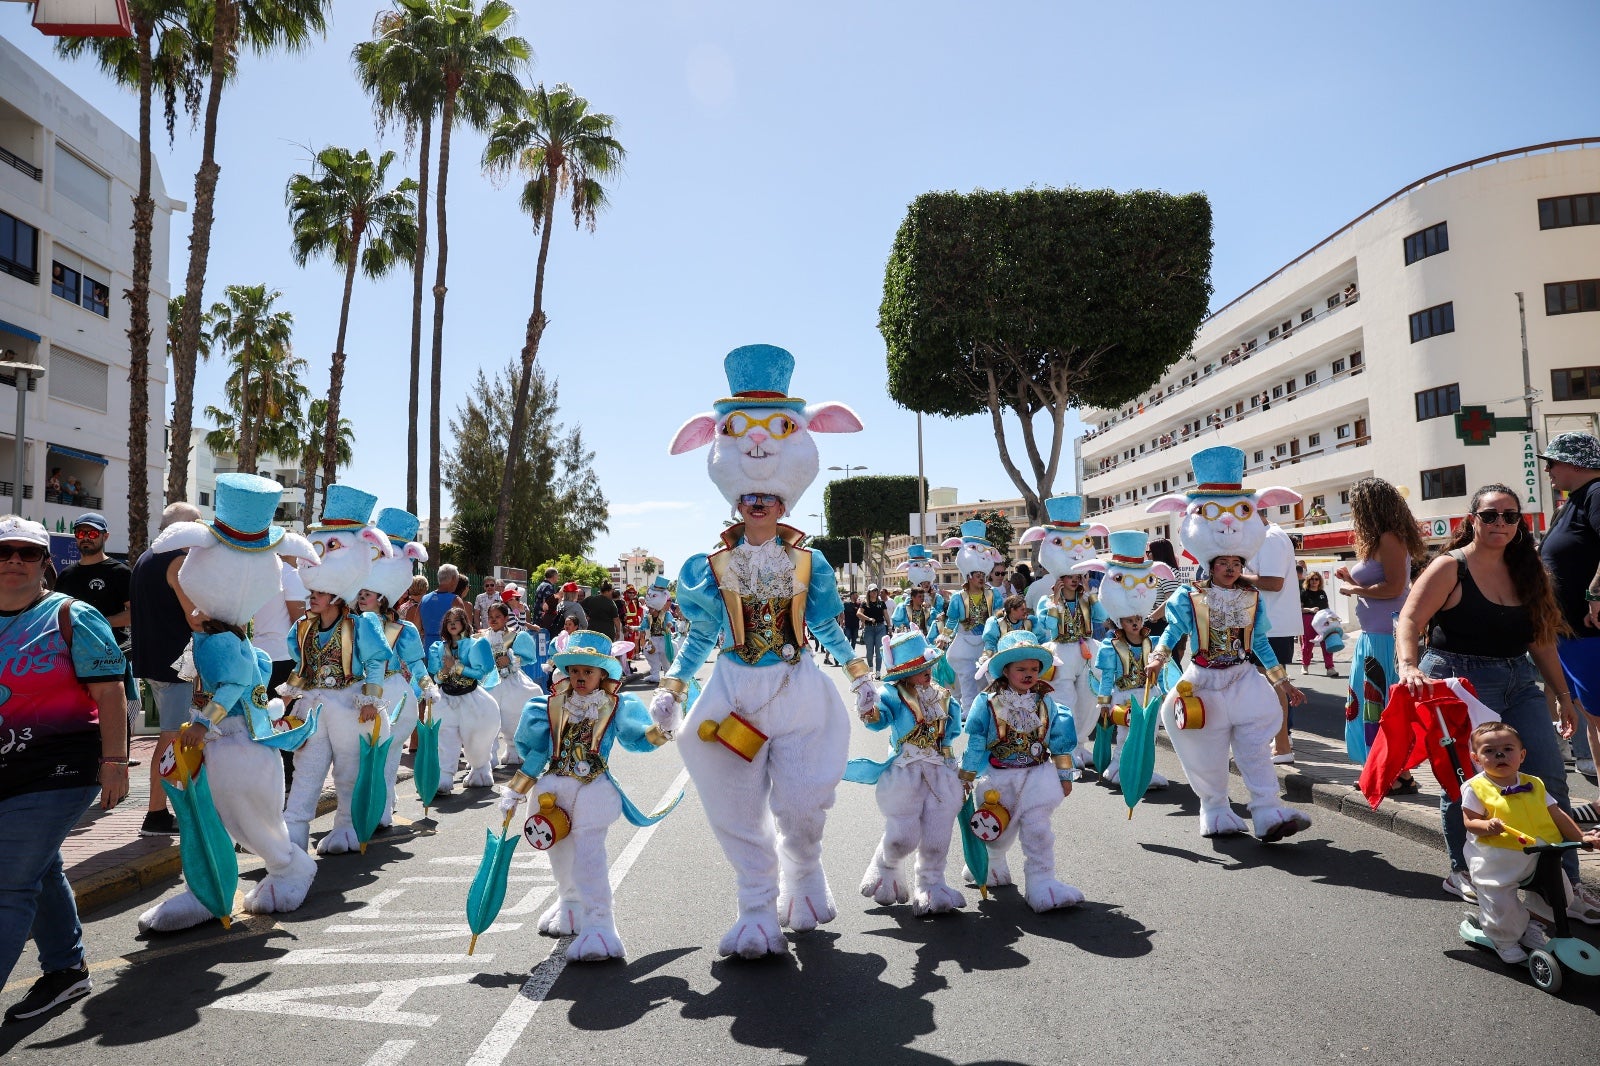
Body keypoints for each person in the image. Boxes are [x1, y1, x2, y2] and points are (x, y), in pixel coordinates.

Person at [649, 342, 875, 959]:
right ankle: (755, 909)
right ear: (735, 497)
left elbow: (825, 626)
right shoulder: (709, 565)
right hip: (730, 693)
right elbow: (699, 635)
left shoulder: (811, 562)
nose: (759, 501)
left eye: (769, 497)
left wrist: (858, 676)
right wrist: (672, 688)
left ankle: (804, 868)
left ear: (785, 497)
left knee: (803, 804)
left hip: (797, 689)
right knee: (733, 804)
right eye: (751, 497)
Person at [1396, 484, 1600, 918]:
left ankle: (1562, 885)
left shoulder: (1530, 570)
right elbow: (1411, 617)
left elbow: (1541, 638)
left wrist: (1564, 695)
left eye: (1510, 517)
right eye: (1490, 516)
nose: (1500, 524)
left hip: (1517, 677)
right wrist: (1408, 665)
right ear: (1473, 519)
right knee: (1466, 783)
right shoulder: (1451, 567)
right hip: (1457, 678)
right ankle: (1463, 871)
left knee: (1548, 777)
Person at [1146, 446, 1311, 842]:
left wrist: (1282, 683)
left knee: (1255, 743)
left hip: (1242, 678)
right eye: (1224, 564)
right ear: (1211, 564)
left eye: (1236, 565)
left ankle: (1268, 810)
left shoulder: (1251, 599)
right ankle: (1216, 808)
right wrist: (1157, 657)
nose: (1230, 569)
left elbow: (1262, 645)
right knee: (1209, 751)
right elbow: (1173, 631)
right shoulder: (1189, 596)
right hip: (1203, 681)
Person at [0, 516, 128, 1023]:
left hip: (62, 768)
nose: (14, 560)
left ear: (44, 563)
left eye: (26, 553)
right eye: (4, 551)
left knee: (9, 882)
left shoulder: (72, 615)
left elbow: (110, 692)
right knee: (38, 866)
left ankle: (64, 970)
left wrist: (115, 762)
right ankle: (67, 971)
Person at [497, 630, 678, 962]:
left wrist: (662, 727)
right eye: (575, 671)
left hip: (593, 791)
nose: (580, 677)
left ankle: (601, 926)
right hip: (552, 790)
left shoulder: (616, 706)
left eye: (588, 671)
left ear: (602, 674)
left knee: (589, 859)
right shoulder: (549, 705)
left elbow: (638, 739)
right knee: (559, 854)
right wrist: (516, 789)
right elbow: (539, 752)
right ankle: (569, 902)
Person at [845, 630, 967, 915]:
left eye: (928, 667)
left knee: (938, 835)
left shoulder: (944, 696)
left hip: (939, 773)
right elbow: (877, 722)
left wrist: (956, 769)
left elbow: (948, 737)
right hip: (904, 773)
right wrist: (867, 707)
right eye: (919, 669)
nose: (927, 672)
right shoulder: (892, 696)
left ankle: (932, 884)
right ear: (903, 674)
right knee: (903, 836)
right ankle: (885, 867)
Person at [959, 631, 1081, 911]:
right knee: (997, 833)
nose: (1029, 674)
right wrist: (966, 776)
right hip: (998, 778)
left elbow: (1060, 742)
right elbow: (976, 742)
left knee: (1038, 830)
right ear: (1006, 670)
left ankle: (1042, 882)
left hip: (1037, 776)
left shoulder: (1047, 703)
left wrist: (1064, 776)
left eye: (1034, 669)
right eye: (1021, 669)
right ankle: (992, 863)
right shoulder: (987, 702)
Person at [1459, 722, 1600, 963]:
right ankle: (1504, 940)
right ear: (1476, 758)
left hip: (1539, 853)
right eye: (1490, 751)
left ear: (1521, 755)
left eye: (1507, 749)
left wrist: (1581, 837)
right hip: (1495, 858)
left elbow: (1557, 814)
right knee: (1500, 903)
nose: (1500, 755)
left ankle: (1531, 922)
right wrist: (1485, 826)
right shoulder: (1475, 787)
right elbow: (1469, 821)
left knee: (1561, 897)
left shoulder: (1534, 783)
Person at [1335, 476, 1428, 780]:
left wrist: (1353, 590)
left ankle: (1395, 772)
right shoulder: (1385, 538)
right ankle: (1390, 770)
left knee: (1382, 705)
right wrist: (1352, 581)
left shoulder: (1389, 538)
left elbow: (1394, 589)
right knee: (1373, 705)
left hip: (1386, 637)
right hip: (1375, 635)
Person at [128, 501, 203, 836]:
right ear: (181, 527)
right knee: (172, 739)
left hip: (154, 661)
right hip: (176, 664)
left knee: (172, 736)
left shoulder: (147, 558)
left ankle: (168, 808)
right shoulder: (177, 559)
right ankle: (156, 814)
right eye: (197, 525)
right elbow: (194, 616)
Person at [1537, 432, 1600, 784]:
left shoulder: (1597, 493)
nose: (1547, 470)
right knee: (1594, 719)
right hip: (1571, 633)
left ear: (1575, 463)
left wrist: (1596, 593)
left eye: (1552, 462)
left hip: (1590, 631)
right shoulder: (1574, 501)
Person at [1244, 509, 1300, 764]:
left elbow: (1274, 582)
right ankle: (1277, 742)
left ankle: (1282, 746)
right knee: (1267, 686)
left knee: (1273, 686)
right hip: (1268, 624)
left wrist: (1236, 575)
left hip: (1272, 625)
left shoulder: (1269, 538)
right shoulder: (1267, 537)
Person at [55, 513, 132, 651]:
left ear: (105, 536)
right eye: (80, 533)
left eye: (92, 533)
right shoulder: (66, 575)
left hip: (110, 652)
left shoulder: (120, 572)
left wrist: (98, 622)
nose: (85, 537)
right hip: (71, 651)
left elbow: (136, 614)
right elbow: (55, 613)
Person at [417, 564, 470, 647]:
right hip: (448, 648)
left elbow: (417, 627)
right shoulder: (455, 600)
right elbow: (464, 629)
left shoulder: (424, 599)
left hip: (428, 647)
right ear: (453, 579)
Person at [1299, 572, 1336, 675]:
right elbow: (1299, 608)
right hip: (1309, 619)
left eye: (1316, 579)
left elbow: (1327, 607)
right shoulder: (1304, 593)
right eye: (1312, 579)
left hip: (1323, 620)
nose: (1314, 581)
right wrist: (1310, 609)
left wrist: (1331, 617)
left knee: (1327, 643)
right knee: (1308, 643)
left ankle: (1330, 668)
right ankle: (1305, 666)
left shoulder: (1322, 593)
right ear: (1308, 580)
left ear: (1319, 581)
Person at [857, 585, 889, 677]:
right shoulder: (864, 603)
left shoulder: (881, 603)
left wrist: (890, 627)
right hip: (869, 628)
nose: (874, 592)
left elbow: (886, 615)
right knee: (869, 651)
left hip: (880, 628)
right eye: (872, 591)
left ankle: (878, 672)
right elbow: (858, 613)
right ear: (869, 592)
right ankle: (871, 668)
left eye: (875, 590)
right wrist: (868, 619)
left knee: (879, 651)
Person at [532, 567, 560, 632]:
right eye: (557, 576)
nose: (558, 578)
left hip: (537, 617)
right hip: (543, 619)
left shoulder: (541, 585)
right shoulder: (549, 587)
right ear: (554, 576)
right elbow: (547, 604)